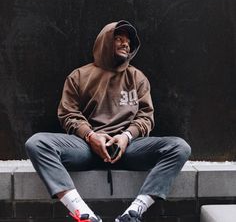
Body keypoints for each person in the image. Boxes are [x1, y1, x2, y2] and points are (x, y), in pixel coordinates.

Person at [25, 20, 191, 222]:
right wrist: (90, 135)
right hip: (85, 147)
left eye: (128, 42)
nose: (125, 44)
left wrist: (126, 137)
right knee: (36, 143)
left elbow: (146, 116)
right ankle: (84, 214)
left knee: (180, 147)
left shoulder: (137, 78)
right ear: (104, 42)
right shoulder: (79, 76)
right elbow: (68, 114)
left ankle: (133, 212)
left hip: (128, 148)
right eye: (119, 39)